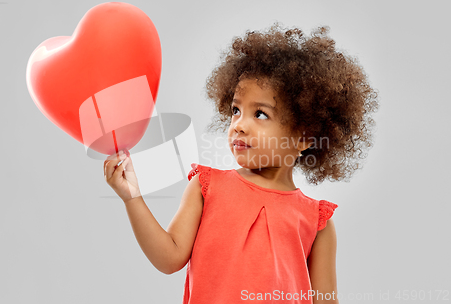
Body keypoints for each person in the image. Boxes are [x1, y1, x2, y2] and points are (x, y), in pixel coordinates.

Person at [103, 23, 379, 303]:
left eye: (259, 114)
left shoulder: (316, 222)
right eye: (236, 110)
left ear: (304, 136)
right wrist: (132, 198)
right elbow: (169, 257)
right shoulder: (207, 188)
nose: (239, 125)